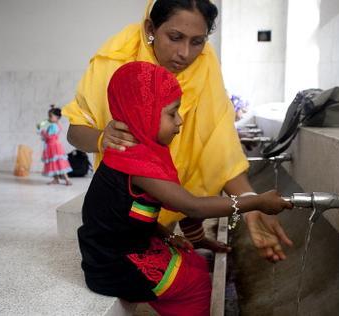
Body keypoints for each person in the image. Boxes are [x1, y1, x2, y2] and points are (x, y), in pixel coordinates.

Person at [64, 0, 293, 261]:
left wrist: (251, 203)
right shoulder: (116, 61)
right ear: (151, 28)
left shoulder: (204, 65)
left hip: (171, 206)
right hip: (127, 204)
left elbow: (218, 146)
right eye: (175, 37)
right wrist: (104, 138)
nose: (185, 53)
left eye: (197, 41)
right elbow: (75, 132)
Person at [77, 61, 292, 315]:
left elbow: (125, 215)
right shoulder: (135, 162)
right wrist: (256, 202)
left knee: (195, 262)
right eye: (172, 113)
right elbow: (192, 206)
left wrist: (167, 236)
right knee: (197, 285)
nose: (180, 121)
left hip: (124, 244)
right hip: (113, 262)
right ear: (142, 113)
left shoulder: (139, 153)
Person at [38, 105, 72, 185]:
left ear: (57, 117)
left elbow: (49, 136)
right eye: (49, 116)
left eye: (50, 116)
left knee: (58, 163)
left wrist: (42, 133)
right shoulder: (57, 125)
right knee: (55, 163)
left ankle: (67, 179)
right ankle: (56, 179)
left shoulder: (53, 126)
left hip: (53, 147)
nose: (49, 118)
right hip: (53, 146)